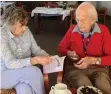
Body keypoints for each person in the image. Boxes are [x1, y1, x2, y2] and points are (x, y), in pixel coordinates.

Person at [58, 2, 111, 94]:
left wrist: (93, 60)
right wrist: (68, 53)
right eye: (77, 20)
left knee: (103, 88)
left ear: (93, 20)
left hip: (99, 70)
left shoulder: (103, 31)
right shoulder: (72, 30)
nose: (79, 24)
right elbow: (61, 48)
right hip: (75, 69)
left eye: (83, 21)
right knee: (84, 87)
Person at [1, 6, 52, 94]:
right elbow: (10, 63)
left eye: (25, 24)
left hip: (24, 73)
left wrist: (48, 56)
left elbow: (36, 50)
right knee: (34, 72)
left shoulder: (26, 30)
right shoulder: (1, 35)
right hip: (4, 74)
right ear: (10, 23)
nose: (25, 28)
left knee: (25, 90)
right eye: (21, 25)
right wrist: (35, 60)